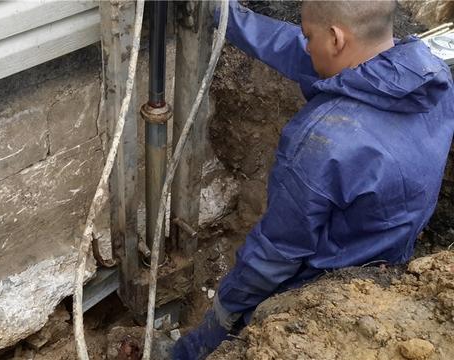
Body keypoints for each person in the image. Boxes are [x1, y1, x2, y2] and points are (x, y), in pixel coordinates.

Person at [173, 1, 454, 359]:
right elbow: (291, 46)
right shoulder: (431, 75)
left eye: (309, 37)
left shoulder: (324, 141)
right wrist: (222, 13)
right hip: (390, 263)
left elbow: (276, 254)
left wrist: (225, 311)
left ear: (336, 39)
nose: (305, 46)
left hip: (322, 291)